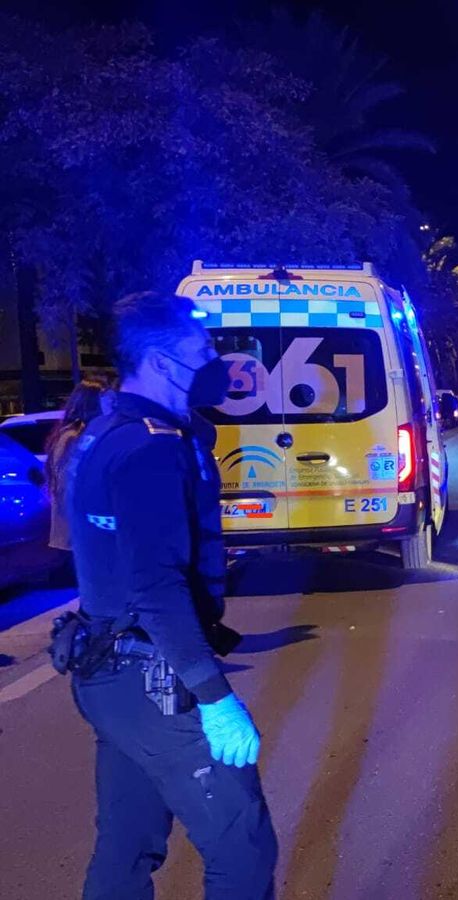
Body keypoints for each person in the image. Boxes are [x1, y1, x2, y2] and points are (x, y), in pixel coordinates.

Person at [64, 292, 276, 899]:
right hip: (150, 679)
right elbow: (155, 584)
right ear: (159, 361)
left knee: (127, 846)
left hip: (110, 672)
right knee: (243, 844)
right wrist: (212, 695)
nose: (218, 361)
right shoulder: (152, 447)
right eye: (203, 350)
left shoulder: (110, 431)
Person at [44, 376, 114, 551]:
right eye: (108, 400)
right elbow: (68, 487)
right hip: (78, 540)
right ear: (92, 404)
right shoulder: (73, 438)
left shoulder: (93, 433)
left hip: (86, 536)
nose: (113, 405)